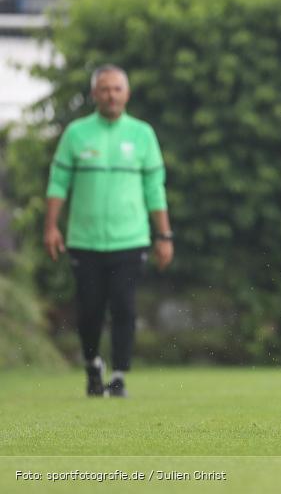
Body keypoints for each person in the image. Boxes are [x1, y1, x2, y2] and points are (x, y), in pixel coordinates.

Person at [44, 65, 173, 398]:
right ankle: (92, 365)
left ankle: (118, 376)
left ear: (126, 94)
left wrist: (164, 236)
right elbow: (59, 183)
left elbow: (155, 189)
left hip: (130, 239)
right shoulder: (76, 134)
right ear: (94, 94)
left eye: (117, 88)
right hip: (84, 240)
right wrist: (51, 227)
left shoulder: (142, 134)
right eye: (104, 89)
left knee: (125, 308)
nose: (111, 94)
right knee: (89, 310)